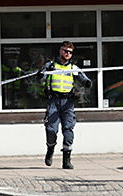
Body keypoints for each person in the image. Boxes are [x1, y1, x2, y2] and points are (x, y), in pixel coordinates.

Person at [37, 41, 92, 170]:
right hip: (53, 102)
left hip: (68, 103)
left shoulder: (73, 68)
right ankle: (50, 150)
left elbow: (84, 79)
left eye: (70, 52)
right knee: (51, 130)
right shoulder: (51, 66)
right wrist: (40, 76)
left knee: (68, 131)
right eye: (65, 51)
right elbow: (40, 80)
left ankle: (66, 160)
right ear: (60, 51)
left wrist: (87, 83)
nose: (68, 54)